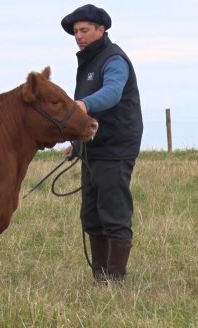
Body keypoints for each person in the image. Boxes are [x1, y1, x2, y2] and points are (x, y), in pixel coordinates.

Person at [61, 4, 143, 283]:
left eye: (85, 30)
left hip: (116, 147)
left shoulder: (114, 59)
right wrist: (77, 142)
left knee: (113, 212)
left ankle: (115, 280)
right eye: (75, 32)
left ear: (101, 30)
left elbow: (112, 93)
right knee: (91, 214)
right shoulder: (86, 63)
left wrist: (83, 104)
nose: (79, 36)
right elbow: (88, 115)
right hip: (92, 148)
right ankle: (100, 277)